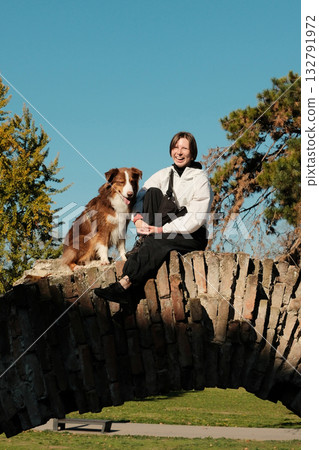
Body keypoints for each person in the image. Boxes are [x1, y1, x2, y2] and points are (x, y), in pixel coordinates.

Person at [94, 131, 213, 305]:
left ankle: (124, 285)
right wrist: (138, 219)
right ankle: (144, 240)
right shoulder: (164, 174)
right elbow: (140, 196)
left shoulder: (200, 179)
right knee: (152, 193)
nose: (179, 152)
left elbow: (196, 219)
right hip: (161, 227)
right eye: (175, 147)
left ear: (192, 153)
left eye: (184, 148)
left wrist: (160, 230)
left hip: (191, 235)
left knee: (158, 240)